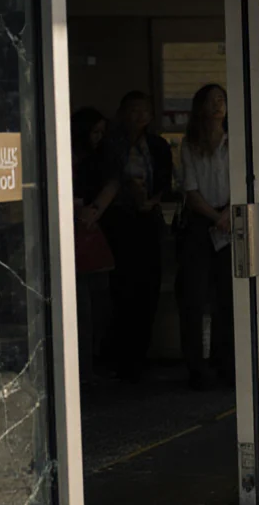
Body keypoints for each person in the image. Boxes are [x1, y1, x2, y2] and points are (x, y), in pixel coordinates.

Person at [101, 91, 173, 381]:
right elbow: (107, 179)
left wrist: (151, 201)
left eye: (144, 110)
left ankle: (140, 356)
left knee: (148, 288)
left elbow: (166, 180)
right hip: (118, 222)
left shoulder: (157, 145)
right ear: (121, 113)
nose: (139, 116)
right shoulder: (111, 144)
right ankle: (121, 358)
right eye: (133, 110)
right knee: (121, 290)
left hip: (148, 220)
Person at [176, 85, 235, 390]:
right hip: (202, 223)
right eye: (211, 101)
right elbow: (190, 191)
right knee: (195, 298)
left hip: (231, 218)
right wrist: (216, 217)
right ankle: (196, 368)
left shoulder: (234, 142)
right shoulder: (190, 145)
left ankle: (226, 364)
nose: (217, 106)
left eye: (221, 100)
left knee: (228, 296)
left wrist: (228, 215)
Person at [71, 107, 120, 388]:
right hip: (74, 229)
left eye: (102, 132)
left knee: (98, 304)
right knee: (82, 309)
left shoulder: (103, 158)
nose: (98, 138)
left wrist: (95, 211)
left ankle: (92, 362)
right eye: (94, 132)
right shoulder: (68, 156)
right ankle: (83, 367)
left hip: (94, 227)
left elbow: (112, 183)